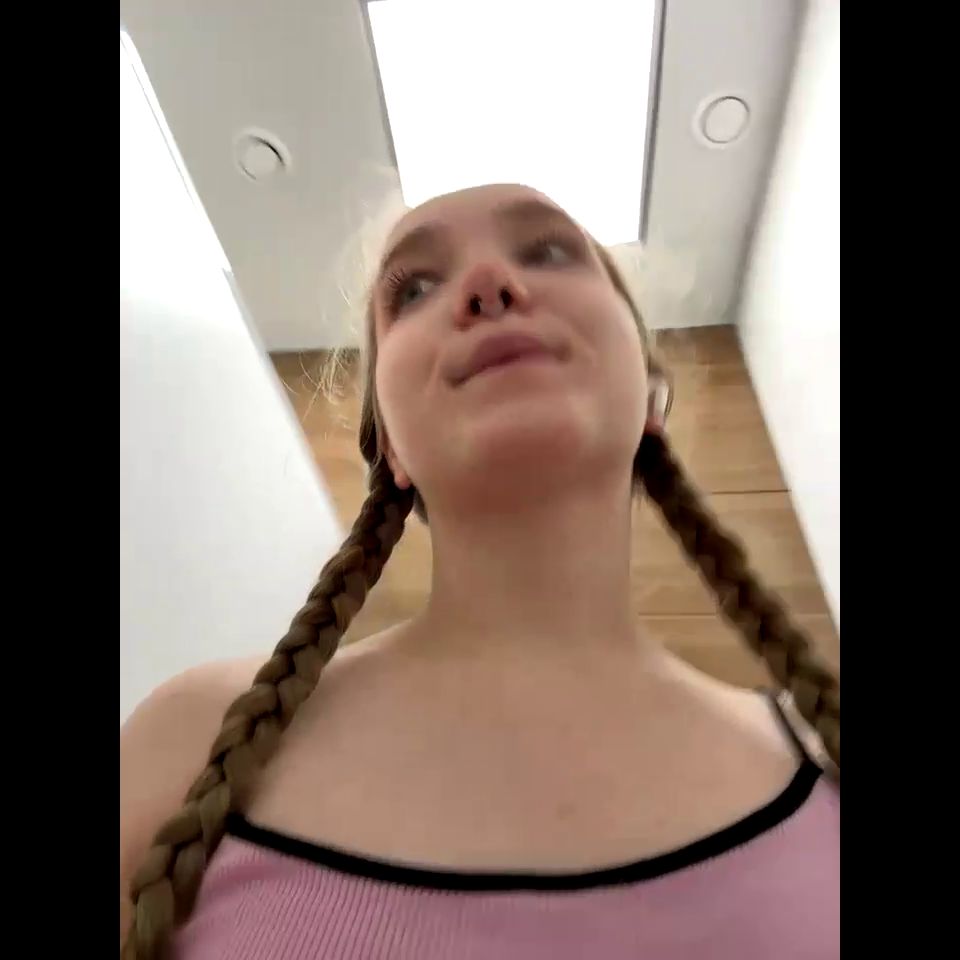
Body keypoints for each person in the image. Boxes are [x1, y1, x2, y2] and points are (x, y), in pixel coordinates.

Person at [120, 183, 839, 960]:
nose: (489, 283)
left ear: (650, 402)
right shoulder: (191, 734)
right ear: (390, 448)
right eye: (414, 289)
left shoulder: (823, 764)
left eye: (549, 251)